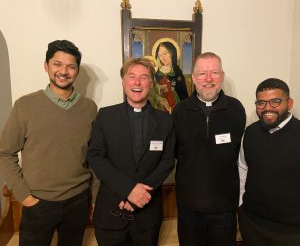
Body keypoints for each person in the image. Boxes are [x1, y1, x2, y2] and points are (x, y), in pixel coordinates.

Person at [0, 40, 98, 245]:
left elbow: (94, 155)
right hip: (38, 203)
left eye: (71, 66)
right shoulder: (25, 105)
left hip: (78, 201)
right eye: (57, 64)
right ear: (46, 66)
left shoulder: (89, 108)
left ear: (77, 71)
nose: (64, 71)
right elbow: (5, 153)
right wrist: (25, 196)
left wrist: (93, 195)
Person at [86, 57, 175, 246]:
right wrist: (128, 189)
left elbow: (167, 161)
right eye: (131, 76)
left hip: (147, 214)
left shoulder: (165, 121)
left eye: (144, 77)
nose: (137, 82)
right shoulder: (105, 116)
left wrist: (139, 195)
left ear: (151, 83)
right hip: (111, 212)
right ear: (123, 81)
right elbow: (95, 156)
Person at [238, 78, 300, 246]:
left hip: (293, 234)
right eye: (261, 103)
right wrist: (241, 205)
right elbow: (243, 169)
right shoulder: (250, 133)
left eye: (275, 101)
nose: (267, 108)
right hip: (252, 225)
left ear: (289, 103)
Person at [173, 52, 246, 246]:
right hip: (189, 205)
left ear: (222, 76)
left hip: (224, 206)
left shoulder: (236, 109)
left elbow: (240, 156)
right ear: (194, 78)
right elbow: (173, 154)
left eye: (214, 73)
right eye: (202, 73)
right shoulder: (179, 111)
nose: (208, 79)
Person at [155, 41, 189, 111]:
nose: (162, 58)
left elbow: (183, 93)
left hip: (176, 104)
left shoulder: (177, 72)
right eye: (160, 55)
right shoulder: (156, 73)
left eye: (165, 54)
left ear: (172, 53)